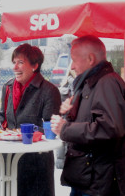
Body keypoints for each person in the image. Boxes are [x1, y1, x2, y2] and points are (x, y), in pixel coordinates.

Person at [51, 35, 125, 196]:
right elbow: (90, 120)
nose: (72, 66)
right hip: (87, 177)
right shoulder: (90, 83)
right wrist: (70, 113)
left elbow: (110, 128)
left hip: (98, 182)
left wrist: (66, 128)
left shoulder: (107, 83)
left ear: (90, 59)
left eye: (74, 60)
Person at [0, 43, 61, 196]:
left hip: (36, 162)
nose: (15, 67)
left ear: (35, 65)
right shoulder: (8, 87)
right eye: (14, 62)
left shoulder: (49, 91)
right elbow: (4, 115)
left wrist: (24, 132)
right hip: (9, 158)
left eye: (20, 62)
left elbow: (51, 129)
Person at [55, 69, 76, 169]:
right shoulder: (76, 84)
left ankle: (60, 163)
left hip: (63, 118)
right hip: (70, 120)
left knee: (62, 141)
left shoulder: (64, 84)